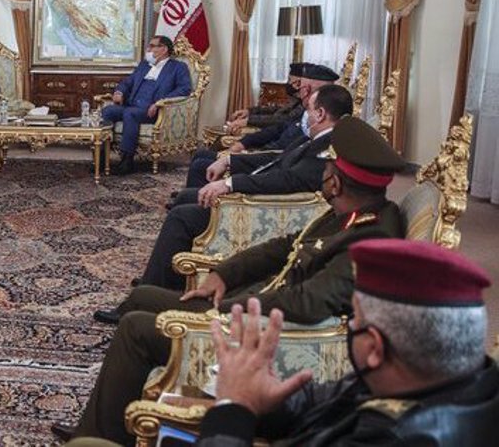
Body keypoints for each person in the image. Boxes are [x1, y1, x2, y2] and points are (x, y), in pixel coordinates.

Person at [52, 115, 407, 444]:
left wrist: (229, 308)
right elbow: (284, 246)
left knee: (135, 329)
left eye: (327, 168)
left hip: (260, 327)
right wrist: (223, 273)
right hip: (251, 304)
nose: (323, 174)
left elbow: (310, 303)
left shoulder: (370, 238)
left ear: (335, 181)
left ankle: (103, 436)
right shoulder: (349, 214)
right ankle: (107, 414)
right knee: (143, 296)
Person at [196, 239, 497, 446]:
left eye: (355, 319)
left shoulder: (395, 438)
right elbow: (333, 399)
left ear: (374, 348)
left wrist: (232, 411)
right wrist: (261, 395)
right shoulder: (453, 381)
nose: (350, 325)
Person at [93, 85, 352, 307]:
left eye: (309, 110)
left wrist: (230, 184)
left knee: (182, 216)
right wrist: (230, 161)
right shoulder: (318, 139)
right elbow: (278, 159)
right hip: (262, 195)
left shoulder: (327, 148)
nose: (306, 115)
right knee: (186, 198)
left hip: (265, 209)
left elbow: (288, 180)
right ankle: (165, 280)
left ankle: (146, 297)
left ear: (320, 114)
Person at [186, 63, 338, 190]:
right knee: (201, 157)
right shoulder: (304, 108)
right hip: (267, 156)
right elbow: (278, 125)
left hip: (268, 162)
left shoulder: (315, 126)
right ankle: (195, 197)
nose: (297, 88)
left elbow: (284, 159)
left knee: (200, 164)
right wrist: (244, 139)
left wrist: (239, 160)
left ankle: (197, 200)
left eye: (301, 85)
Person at [101, 36, 192, 175]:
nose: (148, 49)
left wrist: (160, 102)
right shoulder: (144, 65)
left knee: (130, 114)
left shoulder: (178, 67)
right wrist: (119, 92)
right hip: (131, 105)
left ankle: (127, 160)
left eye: (152, 46)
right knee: (108, 111)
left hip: (153, 110)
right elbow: (127, 82)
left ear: (164, 49)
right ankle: (102, 158)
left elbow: (184, 89)